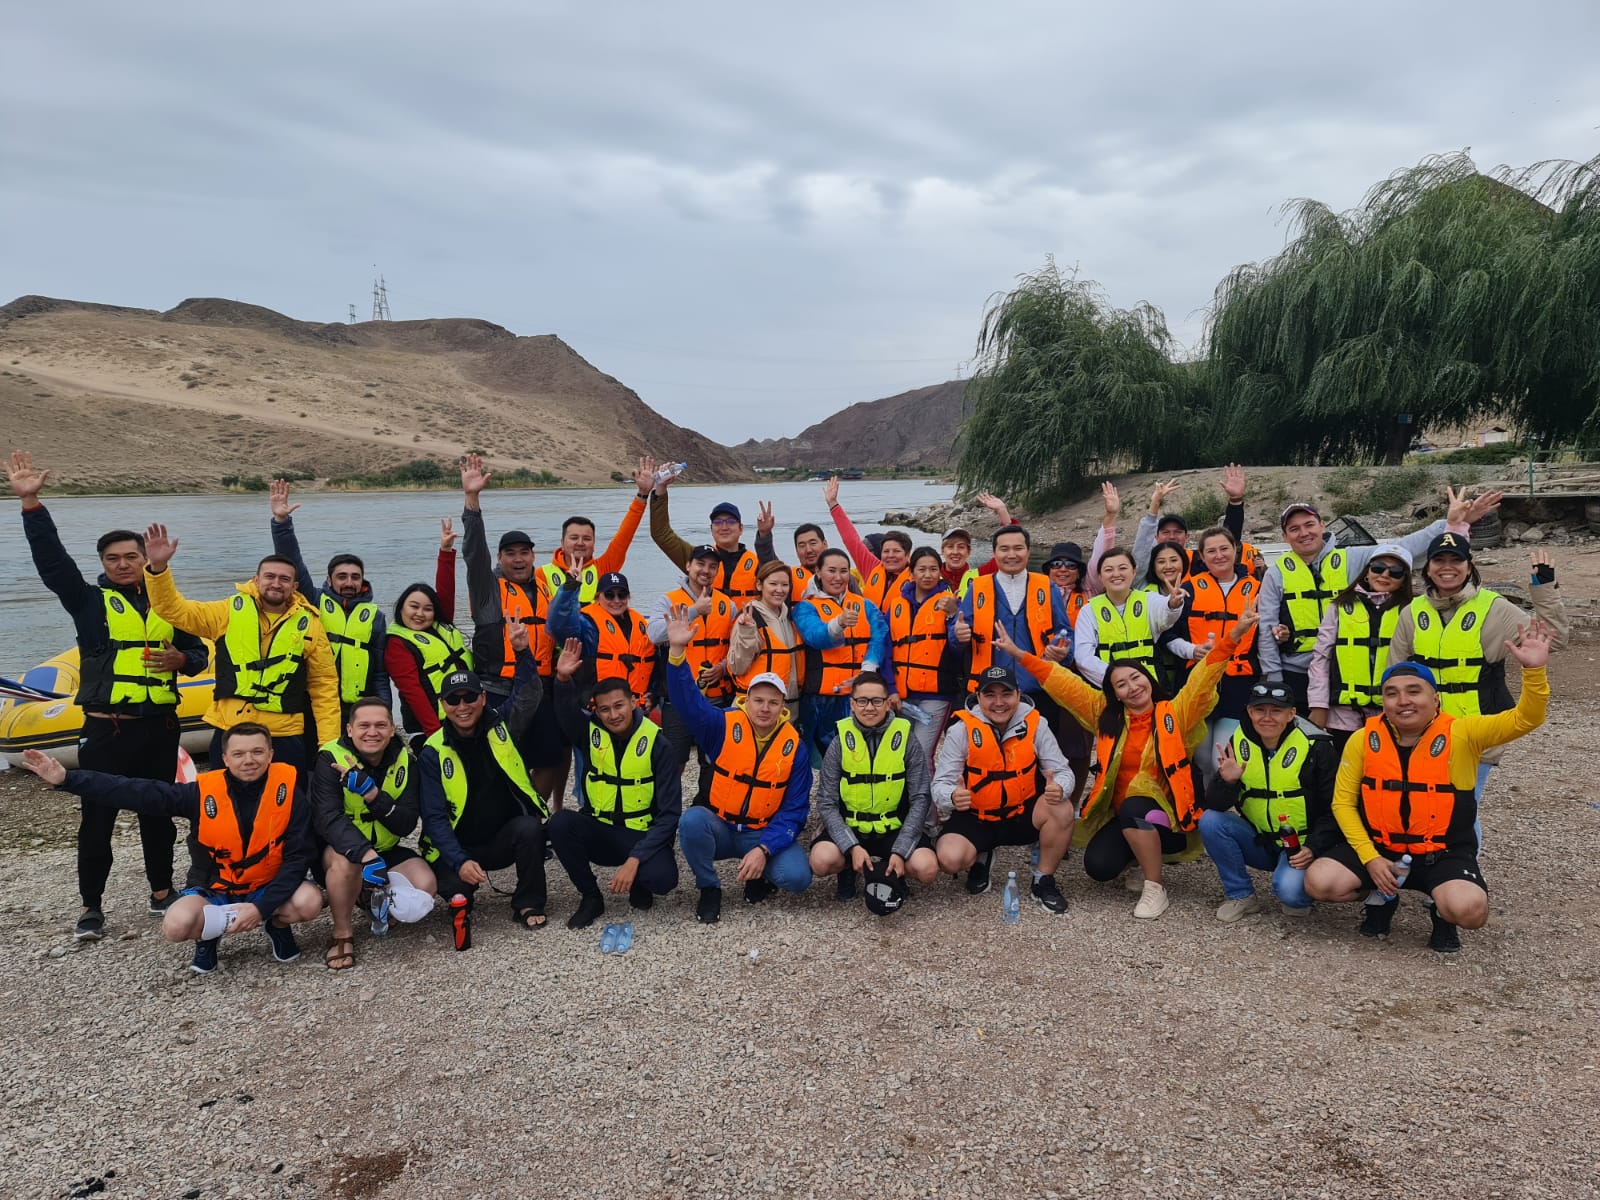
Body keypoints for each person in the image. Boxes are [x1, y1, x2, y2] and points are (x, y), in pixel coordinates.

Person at [7, 450, 208, 940]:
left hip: (159, 729)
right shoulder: (86, 601)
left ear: (145, 560)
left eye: (131, 557)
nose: (122, 565)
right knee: (97, 817)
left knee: (159, 814)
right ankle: (90, 906)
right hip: (105, 727)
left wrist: (182, 661)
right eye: (113, 559)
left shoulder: (169, 603)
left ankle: (162, 892)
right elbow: (52, 563)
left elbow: (198, 654)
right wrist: (32, 503)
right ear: (103, 564)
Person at [998, 601, 1257, 919]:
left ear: (1149, 679)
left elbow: (1204, 678)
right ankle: (1138, 856)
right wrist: (1018, 654)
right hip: (1124, 817)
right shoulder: (1105, 716)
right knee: (1098, 867)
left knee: (1137, 804)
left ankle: (1155, 887)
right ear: (1114, 694)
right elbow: (1064, 685)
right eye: (1122, 684)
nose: (1132, 687)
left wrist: (1235, 634)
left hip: (1167, 818)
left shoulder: (1176, 712)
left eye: (1136, 678)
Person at [1303, 625, 1552, 953]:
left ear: (1435, 698)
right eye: (1391, 693)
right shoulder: (1363, 739)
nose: (1402, 701)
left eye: (1413, 691)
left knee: (1470, 911)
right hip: (1380, 847)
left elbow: (1526, 719)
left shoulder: (1464, 733)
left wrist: (1534, 671)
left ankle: (1441, 911)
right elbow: (1343, 805)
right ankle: (1381, 898)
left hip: (1442, 852)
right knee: (1319, 882)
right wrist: (1371, 858)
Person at [19, 724, 323, 973]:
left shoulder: (291, 794)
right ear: (225, 758)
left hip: (266, 886)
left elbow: (298, 858)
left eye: (258, 752)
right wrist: (68, 779)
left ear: (271, 754)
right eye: (240, 753)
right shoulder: (198, 793)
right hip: (214, 888)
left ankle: (276, 925)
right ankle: (209, 935)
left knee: (309, 902)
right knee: (176, 926)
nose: (249, 760)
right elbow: (134, 791)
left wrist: (261, 907)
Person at [1256, 485, 1493, 712]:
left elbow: (1403, 547)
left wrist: (1452, 524)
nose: (1304, 533)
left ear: (1322, 526)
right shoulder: (1276, 574)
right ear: (1285, 537)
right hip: (1295, 673)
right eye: (1294, 529)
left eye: (1309, 524)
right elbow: (1267, 629)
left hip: (1347, 670)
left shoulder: (1354, 558)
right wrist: (1274, 679)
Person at [140, 522, 340, 768]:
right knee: (225, 802)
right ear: (256, 580)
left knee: (284, 803)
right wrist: (158, 569)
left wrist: (329, 743)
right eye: (270, 576)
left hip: (284, 733)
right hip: (231, 727)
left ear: (294, 586)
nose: (276, 583)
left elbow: (325, 687)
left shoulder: (310, 624)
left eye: (284, 579)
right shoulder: (227, 612)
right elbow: (173, 610)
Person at [1388, 537, 1568, 803]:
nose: (1447, 567)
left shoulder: (1495, 608)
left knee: (1462, 811)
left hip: (1478, 730)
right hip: (1424, 729)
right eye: (1439, 560)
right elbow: (1395, 673)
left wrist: (1544, 590)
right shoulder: (1412, 612)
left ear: (1469, 567)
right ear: (1427, 569)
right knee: (1427, 806)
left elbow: (1556, 639)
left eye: (1456, 560)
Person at [663, 606, 812, 924]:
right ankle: (709, 887)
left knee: (798, 877)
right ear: (746, 700)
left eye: (773, 702)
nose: (765, 708)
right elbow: (688, 702)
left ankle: (759, 872)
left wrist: (766, 849)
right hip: (720, 827)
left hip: (761, 831)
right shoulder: (722, 725)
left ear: (782, 706)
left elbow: (795, 811)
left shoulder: (794, 747)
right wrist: (677, 651)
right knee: (690, 822)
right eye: (758, 700)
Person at [417, 627, 549, 943]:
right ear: (443, 704)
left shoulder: (502, 726)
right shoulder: (432, 751)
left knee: (531, 830)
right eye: (453, 699)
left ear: (483, 697)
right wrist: (459, 861)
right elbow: (434, 818)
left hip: (501, 838)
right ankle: (463, 884)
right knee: (459, 897)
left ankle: (528, 902)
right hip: (458, 845)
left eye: (470, 697)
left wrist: (522, 653)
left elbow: (528, 694)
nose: (462, 706)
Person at [548, 639, 681, 929]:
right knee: (558, 823)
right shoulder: (589, 733)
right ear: (596, 711)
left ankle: (639, 882)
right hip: (599, 829)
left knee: (663, 879)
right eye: (605, 709)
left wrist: (636, 859)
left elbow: (670, 815)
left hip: (639, 833)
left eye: (619, 705)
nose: (613, 715)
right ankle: (591, 896)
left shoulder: (659, 745)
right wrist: (562, 679)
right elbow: (566, 712)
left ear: (635, 702)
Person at [458, 453, 568, 805]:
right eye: (510, 554)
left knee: (550, 756)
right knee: (499, 758)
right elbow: (475, 554)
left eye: (524, 553)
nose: (518, 559)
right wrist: (472, 502)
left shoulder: (547, 588)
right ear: (500, 559)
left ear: (534, 557)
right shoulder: (489, 591)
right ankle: (502, 817)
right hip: (499, 688)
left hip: (540, 687)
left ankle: (531, 815)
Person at [931, 665, 1076, 913]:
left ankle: (1043, 879)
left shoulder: (1037, 724)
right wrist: (953, 797)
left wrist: (1060, 788)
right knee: (949, 859)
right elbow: (940, 785)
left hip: (1021, 813)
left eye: (1006, 694)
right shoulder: (961, 730)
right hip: (977, 816)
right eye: (990, 695)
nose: (999, 702)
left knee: (1061, 807)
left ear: (1018, 695)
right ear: (978, 698)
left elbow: (1063, 772)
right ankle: (982, 856)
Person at [311, 698, 437, 969]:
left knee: (425, 887)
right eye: (364, 725)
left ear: (392, 729)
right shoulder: (329, 758)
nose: (372, 732)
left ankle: (368, 897)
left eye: (380, 725)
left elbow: (405, 824)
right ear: (349, 729)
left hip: (385, 848)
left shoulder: (406, 761)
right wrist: (366, 855)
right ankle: (342, 932)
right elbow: (327, 819)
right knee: (345, 866)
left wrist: (372, 794)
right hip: (342, 851)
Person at [1196, 680, 1336, 920]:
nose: (1267, 718)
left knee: (1291, 895)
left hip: (1301, 843)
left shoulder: (1317, 746)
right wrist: (1226, 782)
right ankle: (1241, 895)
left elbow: (1335, 808)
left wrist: (1313, 847)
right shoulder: (1238, 741)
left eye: (1276, 711)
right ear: (1250, 712)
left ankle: (1301, 885)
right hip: (1261, 838)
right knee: (1210, 821)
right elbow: (1216, 805)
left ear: (1291, 713)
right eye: (1260, 710)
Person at [810, 671, 939, 904]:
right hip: (852, 825)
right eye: (862, 701)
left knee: (927, 869)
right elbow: (826, 801)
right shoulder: (839, 740)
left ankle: (892, 869)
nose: (869, 707)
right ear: (852, 704)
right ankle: (849, 867)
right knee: (820, 861)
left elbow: (921, 797)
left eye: (877, 701)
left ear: (888, 703)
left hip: (893, 825)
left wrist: (900, 850)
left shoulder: (906, 736)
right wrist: (850, 846)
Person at [268, 479, 391, 712]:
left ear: (362, 580)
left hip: (357, 706)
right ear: (329, 580)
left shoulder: (376, 617)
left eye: (355, 577)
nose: (349, 582)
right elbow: (293, 561)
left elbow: (380, 674)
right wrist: (282, 522)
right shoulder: (312, 600)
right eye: (342, 576)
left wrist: (384, 710)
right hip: (315, 703)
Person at [1168, 525, 1260, 781]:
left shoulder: (1257, 587)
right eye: (1211, 551)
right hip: (1198, 679)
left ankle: (1219, 809)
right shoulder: (1189, 589)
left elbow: (1269, 631)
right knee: (1200, 757)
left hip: (1238, 681)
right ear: (1202, 557)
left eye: (1224, 549)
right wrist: (1191, 650)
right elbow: (1168, 636)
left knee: (1219, 758)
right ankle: (1204, 810)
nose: (1219, 555)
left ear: (1235, 550)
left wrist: (1280, 632)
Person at [646, 544, 736, 802]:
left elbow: (736, 647)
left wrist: (723, 668)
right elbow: (653, 634)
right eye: (700, 564)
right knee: (674, 759)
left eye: (712, 566)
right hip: (679, 699)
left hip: (716, 697)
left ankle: (707, 806)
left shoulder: (727, 604)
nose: (705, 570)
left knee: (713, 759)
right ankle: (665, 811)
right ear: (688, 566)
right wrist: (695, 610)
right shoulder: (669, 599)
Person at [1306, 543, 1415, 756]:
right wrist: (1318, 705)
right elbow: (1321, 658)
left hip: (1393, 711)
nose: (1384, 574)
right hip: (1343, 716)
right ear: (1367, 570)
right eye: (1378, 567)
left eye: (1395, 572)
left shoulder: (1411, 610)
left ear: (1404, 580)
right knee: (1347, 775)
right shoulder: (1339, 606)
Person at [792, 547, 892, 765]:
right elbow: (814, 636)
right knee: (816, 757)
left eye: (844, 571)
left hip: (858, 694)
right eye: (831, 571)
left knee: (859, 756)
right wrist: (839, 623)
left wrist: (867, 671)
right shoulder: (805, 607)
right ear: (818, 572)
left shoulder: (865, 605)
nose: (838, 577)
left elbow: (879, 635)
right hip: (820, 698)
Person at [385, 519, 473, 743]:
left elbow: (445, 592)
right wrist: (435, 733)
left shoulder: (441, 625)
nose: (420, 614)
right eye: (413, 607)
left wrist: (446, 551)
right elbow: (412, 692)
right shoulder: (397, 644)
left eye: (427, 609)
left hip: (463, 716)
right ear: (401, 607)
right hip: (431, 727)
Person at [886, 546, 963, 776]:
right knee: (902, 753)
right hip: (902, 694)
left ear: (940, 572)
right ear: (912, 572)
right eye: (922, 569)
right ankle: (908, 806)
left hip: (936, 694)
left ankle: (928, 811)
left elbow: (958, 649)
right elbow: (886, 649)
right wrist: (890, 688)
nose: (928, 575)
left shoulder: (949, 603)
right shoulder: (897, 606)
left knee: (921, 752)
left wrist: (951, 616)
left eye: (933, 569)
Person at [532, 458, 651, 604]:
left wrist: (642, 494)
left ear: (594, 543)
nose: (580, 543)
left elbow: (625, 535)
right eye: (574, 538)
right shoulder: (541, 575)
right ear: (562, 543)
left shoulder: (604, 567)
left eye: (587, 539)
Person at [649, 470, 775, 606]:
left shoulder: (758, 562)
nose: (724, 527)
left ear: (741, 529)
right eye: (718, 522)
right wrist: (660, 489)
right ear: (711, 529)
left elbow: (775, 574)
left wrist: (764, 534)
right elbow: (661, 533)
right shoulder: (696, 558)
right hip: (710, 624)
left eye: (731, 522)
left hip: (745, 625)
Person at [1074, 546, 1187, 688]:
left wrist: (1174, 603)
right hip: (1110, 686)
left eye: (1122, 568)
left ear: (1134, 572)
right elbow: (1083, 657)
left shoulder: (1149, 600)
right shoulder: (1088, 611)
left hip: (1151, 684)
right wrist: (1116, 678)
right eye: (1109, 570)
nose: (1116, 574)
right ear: (1100, 577)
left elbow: (1166, 615)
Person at [547, 570, 657, 708]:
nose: (616, 600)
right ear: (598, 597)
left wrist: (653, 695)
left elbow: (652, 665)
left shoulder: (642, 625)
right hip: (597, 707)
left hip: (634, 707)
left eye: (622, 595)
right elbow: (559, 625)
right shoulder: (586, 624)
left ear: (628, 597)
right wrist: (570, 589)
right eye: (609, 595)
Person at [1131, 466, 1253, 580]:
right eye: (1165, 532)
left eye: (1178, 532)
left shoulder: (1197, 562)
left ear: (1187, 537)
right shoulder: (1148, 565)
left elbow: (1228, 539)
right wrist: (1155, 503)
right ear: (1156, 537)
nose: (1172, 536)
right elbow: (1141, 548)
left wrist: (1235, 501)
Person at [1042, 541, 1092, 804]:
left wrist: (1109, 519)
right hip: (1041, 680)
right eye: (1057, 564)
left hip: (1077, 679)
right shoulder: (1035, 594)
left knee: (1079, 746)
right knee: (1041, 741)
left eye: (1071, 565)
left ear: (1080, 571)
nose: (1063, 569)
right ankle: (1039, 801)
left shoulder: (1090, 595)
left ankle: (1071, 805)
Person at [821, 475, 913, 610]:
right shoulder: (872, 568)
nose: (891, 555)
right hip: (873, 629)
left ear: (907, 555)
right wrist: (833, 504)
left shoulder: (917, 574)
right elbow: (852, 541)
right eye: (886, 551)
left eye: (897, 551)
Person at [728, 561, 803, 707]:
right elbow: (738, 667)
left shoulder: (790, 618)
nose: (779, 590)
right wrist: (747, 633)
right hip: (754, 708)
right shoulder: (748, 618)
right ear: (759, 585)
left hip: (787, 707)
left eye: (785, 585)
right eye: (773, 584)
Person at [1139, 542, 1193, 695]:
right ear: (1153, 566)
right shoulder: (1144, 596)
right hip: (1155, 672)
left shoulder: (1195, 590)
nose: (1168, 566)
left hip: (1188, 668)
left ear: (1183, 561)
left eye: (1174, 560)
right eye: (1161, 562)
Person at [788, 522, 830, 599]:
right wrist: (764, 536)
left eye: (813, 543)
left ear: (825, 544)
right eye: (802, 545)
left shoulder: (842, 577)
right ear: (796, 551)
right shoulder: (787, 578)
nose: (808, 550)